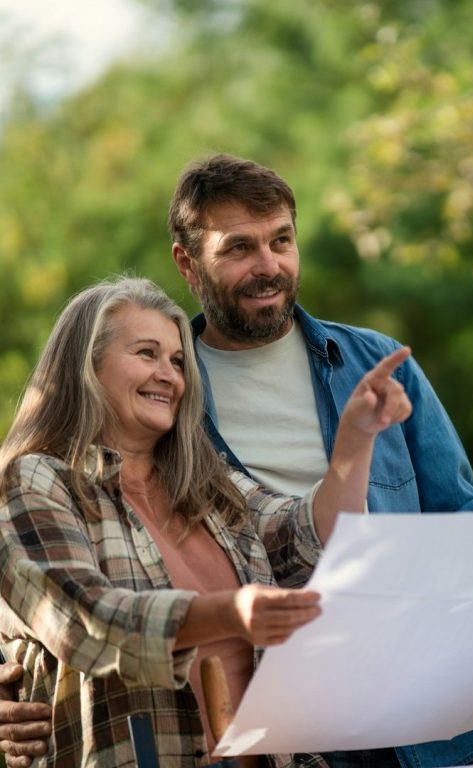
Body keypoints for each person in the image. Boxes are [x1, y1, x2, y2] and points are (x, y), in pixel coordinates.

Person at [0, 154, 473, 767]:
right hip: (303, 735)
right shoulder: (135, 446)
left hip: (433, 712)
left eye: (281, 241)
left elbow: (421, 526)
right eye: (239, 247)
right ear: (188, 264)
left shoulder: (364, 370)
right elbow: (55, 596)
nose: (267, 265)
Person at [0, 275, 412, 767]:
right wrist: (229, 611)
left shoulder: (207, 483)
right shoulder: (36, 480)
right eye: (146, 354)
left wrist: (355, 440)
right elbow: (84, 622)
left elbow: (309, 539)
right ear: (85, 366)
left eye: (177, 361)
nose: (170, 375)